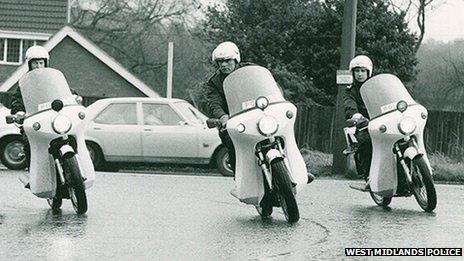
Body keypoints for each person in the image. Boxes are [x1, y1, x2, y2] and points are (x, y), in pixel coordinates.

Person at [205, 41, 314, 183]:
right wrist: (223, 116)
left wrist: (277, 98)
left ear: (236, 59)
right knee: (229, 139)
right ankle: (240, 176)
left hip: (259, 113)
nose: (223, 65)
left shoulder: (251, 69)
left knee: (283, 133)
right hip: (234, 120)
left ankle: (298, 170)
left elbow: (269, 84)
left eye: (227, 61)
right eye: (220, 62)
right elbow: (214, 102)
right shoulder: (214, 82)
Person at [343, 55, 373, 188]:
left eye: (363, 71)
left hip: (382, 123)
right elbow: (349, 104)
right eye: (357, 71)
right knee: (367, 142)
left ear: (368, 72)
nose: (360, 74)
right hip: (364, 125)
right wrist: (356, 115)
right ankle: (369, 177)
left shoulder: (376, 88)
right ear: (353, 73)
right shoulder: (351, 91)